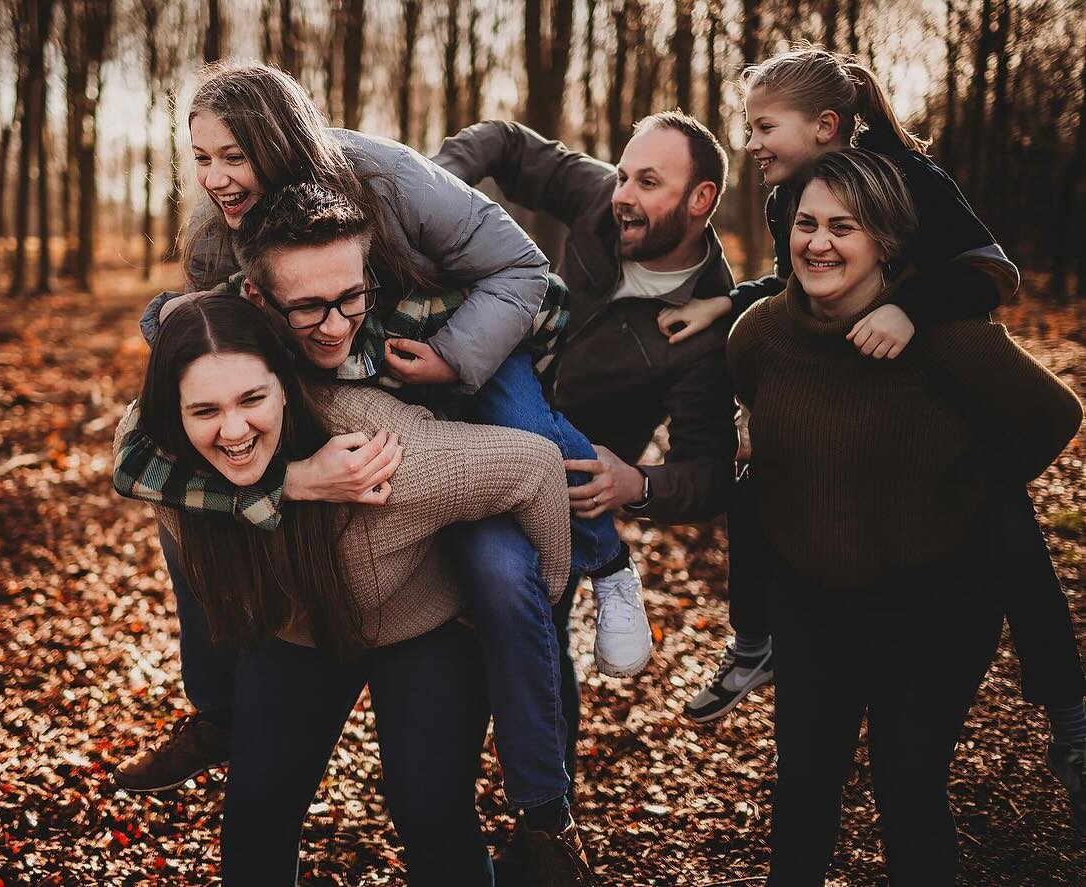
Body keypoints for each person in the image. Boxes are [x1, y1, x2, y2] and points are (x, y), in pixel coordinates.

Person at [120, 181, 601, 882]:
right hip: (300, 633)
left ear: (285, 385)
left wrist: (529, 595)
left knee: (433, 815)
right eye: (206, 412)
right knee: (255, 809)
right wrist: (290, 481)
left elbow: (534, 466)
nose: (231, 429)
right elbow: (132, 446)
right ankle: (216, 716)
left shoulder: (385, 447)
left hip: (423, 629)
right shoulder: (170, 466)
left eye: (253, 400)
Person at [664, 47, 1086, 831]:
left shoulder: (910, 180)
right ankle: (754, 642)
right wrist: (726, 308)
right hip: (854, 407)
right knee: (761, 483)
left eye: (763, 125)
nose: (750, 141)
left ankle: (1070, 717)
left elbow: (993, 271)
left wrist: (912, 311)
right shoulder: (790, 197)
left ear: (825, 126)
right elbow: (802, 281)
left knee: (1004, 516)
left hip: (943, 383)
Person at [726, 149, 1082, 884]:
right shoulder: (759, 334)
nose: (817, 242)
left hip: (939, 600)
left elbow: (1054, 416)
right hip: (813, 597)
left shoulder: (949, 335)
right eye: (805, 224)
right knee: (802, 794)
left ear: (884, 242)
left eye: (842, 227)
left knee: (909, 785)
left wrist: (959, 485)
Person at [434, 111, 740, 774]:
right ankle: (444, 792)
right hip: (471, 424)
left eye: (648, 181)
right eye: (624, 174)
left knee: (533, 635)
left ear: (700, 199)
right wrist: (437, 182)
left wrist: (640, 483)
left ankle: (547, 823)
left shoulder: (711, 324)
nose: (623, 193)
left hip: (567, 497)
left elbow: (710, 470)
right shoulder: (599, 199)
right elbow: (509, 143)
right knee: (448, 644)